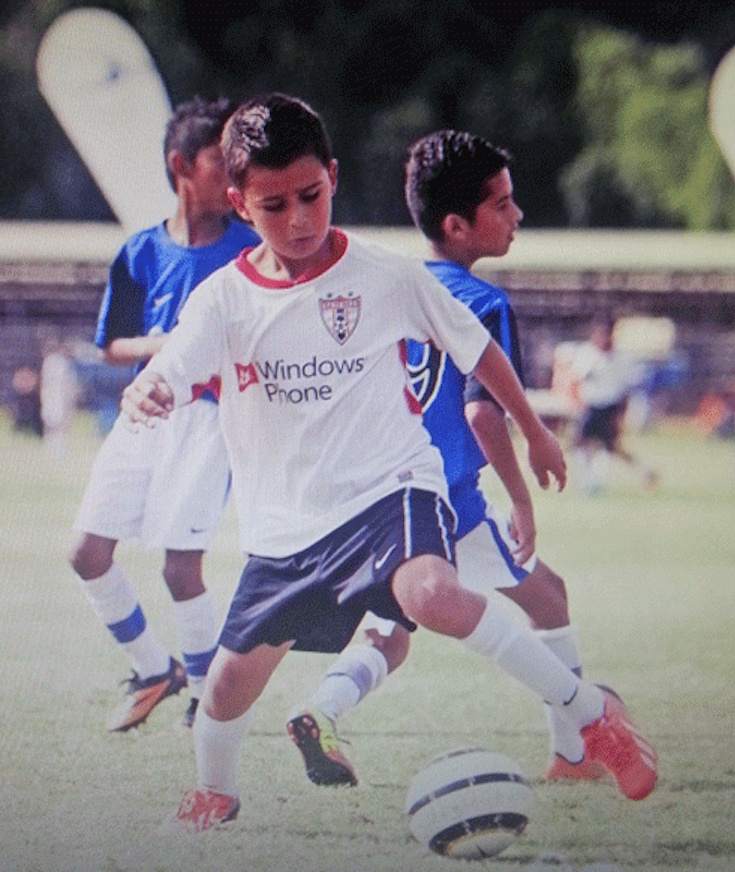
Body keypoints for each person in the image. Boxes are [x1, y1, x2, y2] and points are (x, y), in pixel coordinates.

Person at [120, 94, 657, 831]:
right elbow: (172, 368)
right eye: (275, 205)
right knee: (223, 694)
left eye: (312, 195)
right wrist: (146, 392)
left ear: (333, 177)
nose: (301, 218)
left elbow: (476, 348)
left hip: (389, 490)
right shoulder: (223, 300)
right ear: (241, 205)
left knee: (433, 592)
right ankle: (216, 789)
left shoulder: (386, 275)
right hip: (286, 533)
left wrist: (534, 430)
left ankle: (591, 716)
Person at [287, 130, 649, 789]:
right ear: (458, 225)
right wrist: (522, 496)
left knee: (388, 631)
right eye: (503, 206)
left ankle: (320, 710)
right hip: (448, 499)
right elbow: (483, 412)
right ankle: (574, 754)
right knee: (548, 598)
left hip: (374, 499)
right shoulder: (482, 301)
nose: (517, 216)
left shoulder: (387, 286)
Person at [69, 96, 260, 732]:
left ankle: (206, 698)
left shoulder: (249, 251)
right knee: (86, 553)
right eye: (218, 161)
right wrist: (167, 343)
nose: (233, 175)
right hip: (144, 412)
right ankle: (155, 668)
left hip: (207, 419)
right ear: (182, 164)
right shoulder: (140, 252)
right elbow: (111, 346)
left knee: (181, 569)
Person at [571, 315, 659, 494]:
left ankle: (595, 483)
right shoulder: (586, 353)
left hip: (610, 406)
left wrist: (621, 412)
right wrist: (577, 405)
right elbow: (575, 381)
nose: (603, 338)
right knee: (580, 443)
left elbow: (626, 387)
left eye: (607, 333)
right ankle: (588, 480)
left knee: (608, 446)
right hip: (590, 405)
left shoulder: (621, 357)